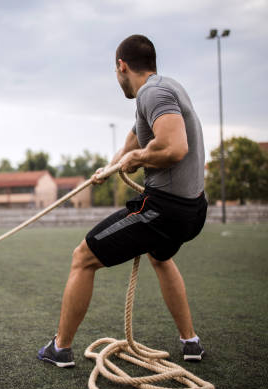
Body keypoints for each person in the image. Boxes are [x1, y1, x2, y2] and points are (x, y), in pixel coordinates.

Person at [38, 34, 208, 368]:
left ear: (122, 66)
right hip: (193, 210)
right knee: (160, 258)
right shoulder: (166, 88)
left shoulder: (152, 93)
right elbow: (134, 138)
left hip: (164, 209)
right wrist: (112, 165)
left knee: (83, 257)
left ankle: (60, 348)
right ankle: (191, 342)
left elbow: (174, 148)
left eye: (116, 73)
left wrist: (139, 159)